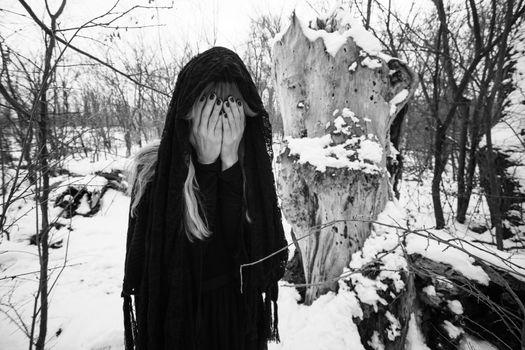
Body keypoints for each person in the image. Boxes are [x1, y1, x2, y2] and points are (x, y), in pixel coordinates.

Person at [121, 46, 289, 350]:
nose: (222, 115)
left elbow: (249, 255)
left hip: (238, 320)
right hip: (180, 321)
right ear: (188, 109)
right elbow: (178, 263)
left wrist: (229, 167)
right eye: (212, 103)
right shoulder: (154, 171)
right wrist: (207, 164)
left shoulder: (253, 169)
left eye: (232, 104)